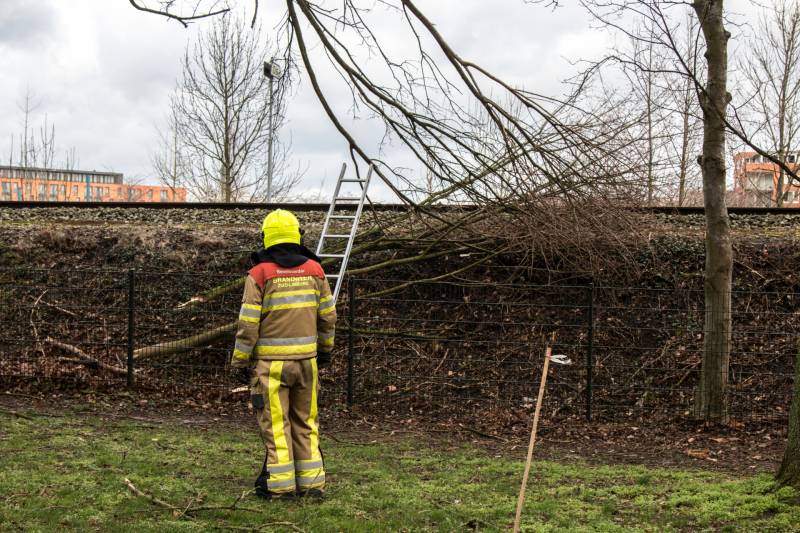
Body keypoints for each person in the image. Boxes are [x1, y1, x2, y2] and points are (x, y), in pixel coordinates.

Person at [230, 209, 336, 499]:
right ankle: (312, 484)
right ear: (297, 235)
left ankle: (281, 488)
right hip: (307, 364)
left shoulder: (259, 274)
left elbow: (248, 323)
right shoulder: (315, 270)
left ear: (266, 238)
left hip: (272, 367)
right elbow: (328, 318)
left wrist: (240, 360)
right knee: (306, 424)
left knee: (277, 427)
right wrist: (325, 351)